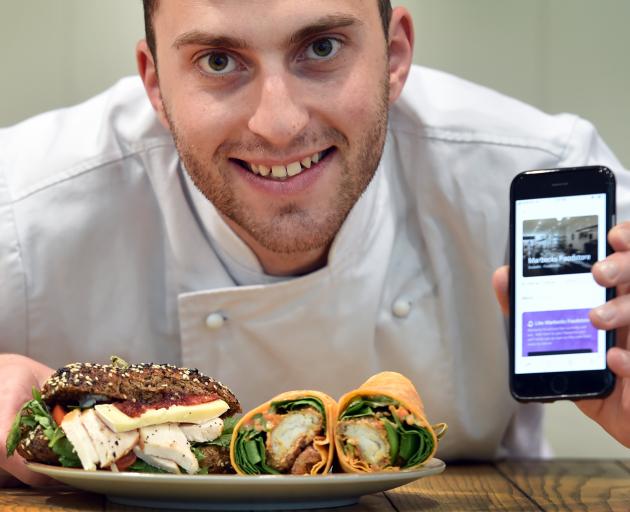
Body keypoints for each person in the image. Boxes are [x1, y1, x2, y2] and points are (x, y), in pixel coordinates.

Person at [0, 0, 628, 486]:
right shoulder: (22, 212)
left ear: (394, 55)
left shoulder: (537, 173)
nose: (279, 124)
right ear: (156, 84)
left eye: (321, 48)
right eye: (218, 61)